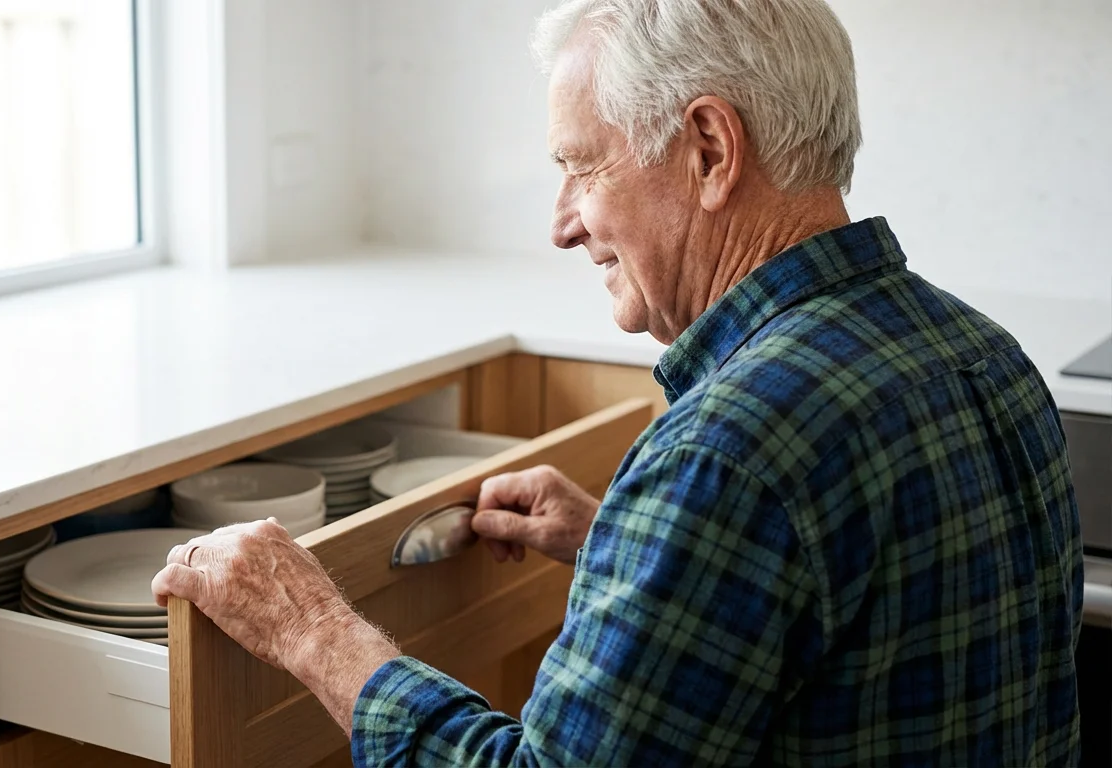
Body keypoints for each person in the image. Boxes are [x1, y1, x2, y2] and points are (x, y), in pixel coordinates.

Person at [152, 0, 1084, 764]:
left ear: (710, 151)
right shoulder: (987, 356)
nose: (562, 224)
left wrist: (313, 627)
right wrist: (636, 551)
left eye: (580, 165)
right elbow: (860, 633)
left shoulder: (727, 459)